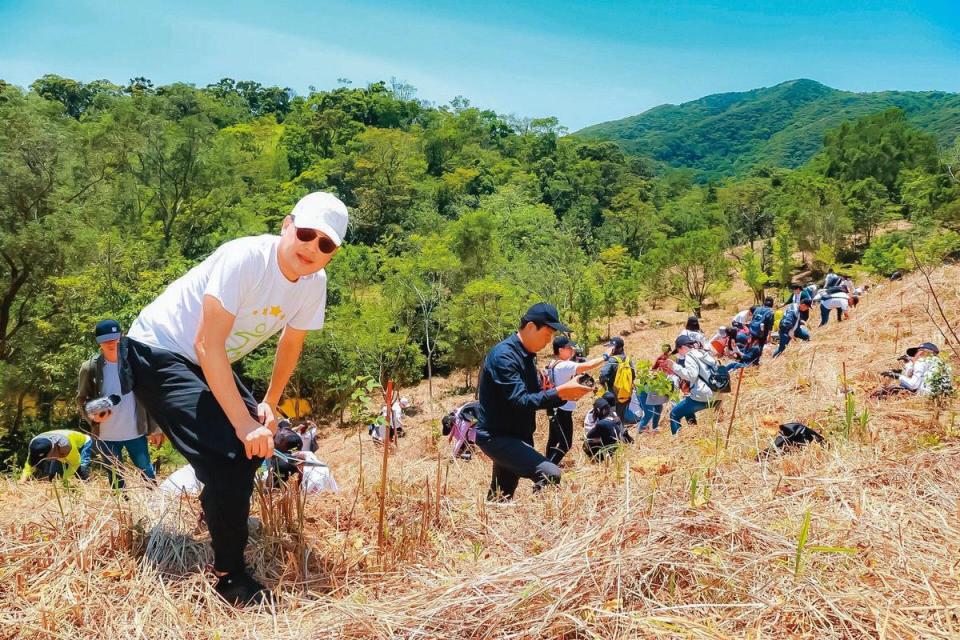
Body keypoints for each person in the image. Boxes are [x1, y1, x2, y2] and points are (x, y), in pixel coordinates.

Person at [124, 191, 347, 605]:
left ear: (332, 253)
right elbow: (207, 344)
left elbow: (291, 343)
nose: (312, 247)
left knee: (253, 448)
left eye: (325, 243)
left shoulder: (314, 284)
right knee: (231, 453)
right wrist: (244, 424)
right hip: (159, 348)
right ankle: (231, 578)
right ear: (287, 225)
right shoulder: (245, 258)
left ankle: (219, 510)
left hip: (208, 358)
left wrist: (269, 402)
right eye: (305, 233)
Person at [474, 303, 592, 502]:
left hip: (517, 436)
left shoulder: (527, 356)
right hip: (498, 438)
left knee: (500, 496)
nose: (549, 342)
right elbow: (520, 400)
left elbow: (531, 395)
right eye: (547, 335)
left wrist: (559, 392)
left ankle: (489, 528)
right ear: (530, 327)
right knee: (550, 473)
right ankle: (539, 521)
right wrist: (560, 393)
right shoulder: (504, 356)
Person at [77, 319, 161, 488]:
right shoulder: (90, 368)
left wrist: (156, 428)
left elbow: (151, 396)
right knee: (115, 478)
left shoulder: (135, 364)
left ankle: (154, 504)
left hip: (135, 432)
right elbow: (82, 400)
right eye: (105, 339)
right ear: (99, 342)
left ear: (121, 337)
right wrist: (92, 416)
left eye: (114, 338)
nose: (111, 343)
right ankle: (121, 510)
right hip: (106, 435)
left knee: (147, 472)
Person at [543, 336, 608, 465]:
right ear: (561, 350)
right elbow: (588, 365)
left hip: (553, 407)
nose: (572, 350)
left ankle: (545, 465)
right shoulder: (564, 365)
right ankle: (547, 472)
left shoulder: (553, 363)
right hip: (562, 410)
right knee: (566, 443)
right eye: (569, 348)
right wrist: (606, 356)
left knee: (553, 440)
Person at [664, 335, 717, 435]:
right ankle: (693, 434)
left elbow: (691, 375)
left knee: (674, 414)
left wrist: (674, 366)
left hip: (704, 396)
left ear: (683, 347)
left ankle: (678, 441)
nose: (679, 354)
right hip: (717, 393)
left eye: (678, 350)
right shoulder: (702, 352)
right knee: (687, 409)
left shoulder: (689, 356)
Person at [20, 430, 93, 483]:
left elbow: (75, 463)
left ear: (52, 452)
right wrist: (24, 477)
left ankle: (88, 487)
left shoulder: (65, 445)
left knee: (81, 471)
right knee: (53, 477)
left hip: (82, 444)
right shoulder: (34, 444)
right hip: (59, 451)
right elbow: (30, 464)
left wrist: (64, 479)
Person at [599, 336, 635, 423]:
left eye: (611, 348)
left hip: (613, 395)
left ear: (618, 348)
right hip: (626, 394)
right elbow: (633, 376)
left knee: (611, 418)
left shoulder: (612, 360)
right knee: (620, 416)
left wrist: (602, 384)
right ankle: (621, 433)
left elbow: (603, 375)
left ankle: (614, 434)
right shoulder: (628, 360)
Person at [637, 345, 673, 432]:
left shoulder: (667, 368)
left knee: (658, 408)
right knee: (649, 413)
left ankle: (655, 428)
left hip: (652, 392)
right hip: (644, 392)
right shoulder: (656, 374)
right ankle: (640, 432)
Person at [748, 297, 776, 363]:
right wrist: (769, 336)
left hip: (752, 330)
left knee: (751, 345)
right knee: (760, 346)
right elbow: (770, 326)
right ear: (772, 304)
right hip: (762, 333)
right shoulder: (771, 312)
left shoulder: (757, 309)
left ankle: (748, 358)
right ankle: (755, 361)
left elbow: (752, 319)